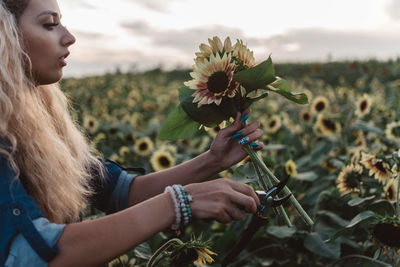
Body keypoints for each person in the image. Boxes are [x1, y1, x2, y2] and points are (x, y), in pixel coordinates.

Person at [0, 0, 264, 266]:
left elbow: (119, 191)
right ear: (5, 35)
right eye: (50, 24)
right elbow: (28, 255)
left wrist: (213, 160)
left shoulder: (36, 122)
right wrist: (177, 202)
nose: (69, 37)